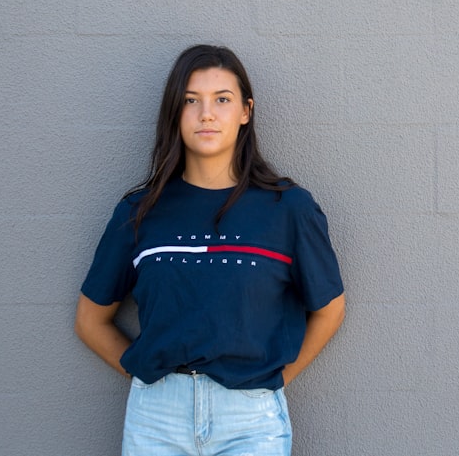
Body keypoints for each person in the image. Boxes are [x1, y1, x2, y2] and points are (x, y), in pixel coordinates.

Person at [74, 44, 346, 456]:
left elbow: (330, 309)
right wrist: (148, 377)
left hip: (251, 422)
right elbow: (90, 320)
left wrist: (270, 381)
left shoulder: (288, 209)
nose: (206, 113)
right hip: (155, 421)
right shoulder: (139, 212)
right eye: (190, 100)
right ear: (175, 112)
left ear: (245, 111)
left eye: (222, 99)